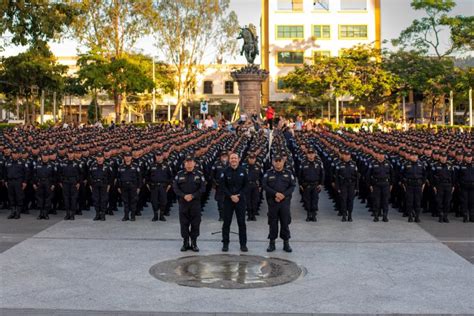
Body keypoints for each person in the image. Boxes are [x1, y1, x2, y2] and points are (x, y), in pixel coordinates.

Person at [262, 154, 296, 253]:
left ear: (283, 162)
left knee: (285, 222)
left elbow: (292, 186)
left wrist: (283, 195)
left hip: (284, 202)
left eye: (279, 161)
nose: (278, 163)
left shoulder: (288, 173)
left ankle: (286, 243)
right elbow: (264, 185)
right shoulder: (268, 173)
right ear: (273, 162)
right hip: (273, 202)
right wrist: (276, 194)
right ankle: (272, 243)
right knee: (273, 223)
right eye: (276, 161)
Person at [173, 154, 206, 252]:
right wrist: (184, 195)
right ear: (184, 163)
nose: (189, 164)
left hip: (195, 203)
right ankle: (185, 242)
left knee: (195, 223)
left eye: (191, 162)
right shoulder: (179, 174)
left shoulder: (199, 174)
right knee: (184, 223)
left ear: (194, 163)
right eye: (187, 162)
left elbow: (202, 188)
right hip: (183, 203)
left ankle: (194, 243)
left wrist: (193, 195)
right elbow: (175, 188)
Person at [220, 152, 248, 252]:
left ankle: (243, 244)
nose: (233, 160)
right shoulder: (225, 171)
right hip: (228, 200)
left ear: (239, 159)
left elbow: (246, 185)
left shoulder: (243, 171)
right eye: (232, 158)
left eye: (235, 158)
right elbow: (222, 186)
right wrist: (231, 196)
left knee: (242, 223)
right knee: (226, 223)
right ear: (229, 160)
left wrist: (238, 195)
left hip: (240, 200)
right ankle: (225, 244)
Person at [147, 151, 173, 222]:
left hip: (163, 186)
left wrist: (169, 185)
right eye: (157, 155)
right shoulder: (151, 165)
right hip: (154, 186)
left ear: (162, 156)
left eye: (160, 155)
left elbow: (170, 176)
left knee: (163, 201)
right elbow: (147, 176)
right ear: (155, 156)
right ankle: (155, 215)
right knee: (154, 201)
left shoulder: (167, 165)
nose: (158, 157)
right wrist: (148, 184)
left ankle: (161, 215)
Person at [299, 148, 324, 222]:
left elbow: (322, 174)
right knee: (307, 200)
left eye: (312, 153)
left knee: (315, 200)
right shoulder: (303, 163)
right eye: (309, 153)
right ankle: (308, 214)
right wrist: (300, 184)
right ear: (307, 155)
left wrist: (321, 184)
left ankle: (313, 215)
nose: (311, 155)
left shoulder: (318, 163)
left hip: (315, 184)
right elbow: (300, 174)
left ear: (315, 154)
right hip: (306, 185)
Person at [333, 149, 359, 222]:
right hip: (343, 185)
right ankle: (344, 215)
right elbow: (337, 177)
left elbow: (357, 177)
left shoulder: (354, 164)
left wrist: (357, 188)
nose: (346, 157)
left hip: (351, 185)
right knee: (343, 200)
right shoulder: (339, 165)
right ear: (343, 156)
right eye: (345, 155)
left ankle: (350, 215)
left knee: (350, 200)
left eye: (348, 155)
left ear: (350, 156)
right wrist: (337, 187)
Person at [367, 151, 392, 222]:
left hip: (385, 184)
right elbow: (368, 175)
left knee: (385, 201)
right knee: (376, 201)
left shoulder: (388, 163)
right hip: (376, 184)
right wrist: (370, 185)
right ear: (377, 155)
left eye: (382, 154)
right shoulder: (373, 163)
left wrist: (391, 184)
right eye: (380, 154)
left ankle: (385, 216)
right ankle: (376, 216)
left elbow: (392, 174)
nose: (381, 156)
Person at [401, 151, 426, 223]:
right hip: (409, 185)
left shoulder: (421, 164)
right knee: (410, 202)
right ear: (410, 156)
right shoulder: (406, 164)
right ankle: (410, 216)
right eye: (413, 155)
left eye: (416, 155)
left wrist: (423, 184)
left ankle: (417, 217)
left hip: (418, 185)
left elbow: (424, 175)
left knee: (418, 202)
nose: (414, 157)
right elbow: (401, 175)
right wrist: (404, 184)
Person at [117, 151, 142, 222]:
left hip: (133, 186)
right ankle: (126, 216)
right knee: (125, 202)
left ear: (131, 157)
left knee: (133, 201)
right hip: (124, 186)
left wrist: (139, 187)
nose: (127, 158)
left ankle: (133, 216)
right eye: (126, 156)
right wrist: (118, 187)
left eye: (129, 156)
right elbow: (118, 177)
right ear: (124, 158)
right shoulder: (121, 166)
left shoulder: (136, 166)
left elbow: (139, 178)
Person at [32, 151, 56, 220]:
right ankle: (40, 213)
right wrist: (34, 183)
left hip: (48, 183)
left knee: (47, 199)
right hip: (39, 183)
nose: (45, 157)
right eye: (43, 156)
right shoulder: (37, 164)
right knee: (40, 198)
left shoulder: (52, 165)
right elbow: (34, 174)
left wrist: (53, 184)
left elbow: (55, 176)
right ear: (41, 156)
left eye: (46, 156)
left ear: (48, 156)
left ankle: (45, 213)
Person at [89, 152, 112, 221]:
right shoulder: (92, 166)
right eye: (98, 157)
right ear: (96, 158)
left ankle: (103, 214)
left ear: (103, 158)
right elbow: (89, 176)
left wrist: (109, 185)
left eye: (101, 157)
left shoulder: (107, 166)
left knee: (103, 200)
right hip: (95, 185)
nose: (99, 159)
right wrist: (90, 185)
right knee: (96, 200)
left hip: (104, 185)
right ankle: (97, 214)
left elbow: (111, 176)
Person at [5, 149, 27, 219]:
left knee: (19, 197)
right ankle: (12, 212)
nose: (14, 154)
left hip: (18, 181)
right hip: (10, 181)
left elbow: (26, 173)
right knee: (11, 197)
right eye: (13, 153)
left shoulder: (22, 162)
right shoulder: (8, 162)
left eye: (16, 153)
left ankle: (18, 213)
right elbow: (5, 172)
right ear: (12, 154)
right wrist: (5, 181)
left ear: (18, 154)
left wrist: (25, 182)